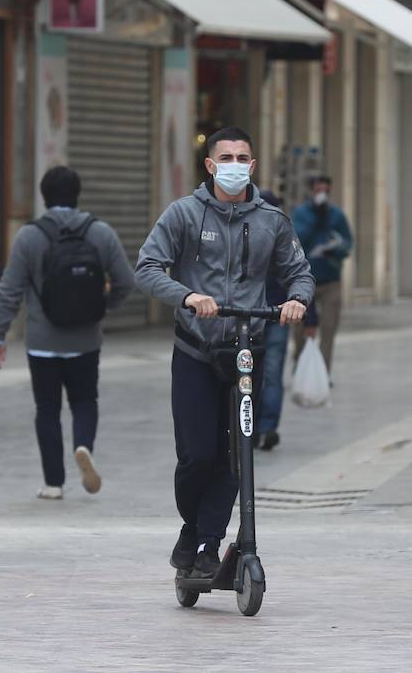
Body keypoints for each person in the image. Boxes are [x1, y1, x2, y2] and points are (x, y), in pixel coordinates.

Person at [136, 127, 314, 580]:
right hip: (196, 350)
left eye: (243, 158)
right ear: (211, 165)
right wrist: (187, 296)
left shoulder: (271, 220)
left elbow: (300, 273)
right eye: (226, 158)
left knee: (238, 453)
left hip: (246, 353)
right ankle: (193, 526)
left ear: (252, 167)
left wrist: (296, 300)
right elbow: (148, 267)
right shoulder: (183, 215)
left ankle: (210, 543)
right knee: (197, 455)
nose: (235, 165)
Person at [0, 166, 135, 500]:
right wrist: (104, 305)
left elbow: (8, 289)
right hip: (86, 339)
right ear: (77, 194)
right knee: (85, 400)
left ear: (44, 196)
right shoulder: (101, 232)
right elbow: (126, 280)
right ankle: (83, 445)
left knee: (47, 407)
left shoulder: (29, 236)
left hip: (42, 342)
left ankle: (53, 483)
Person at [253, 188, 318, 453]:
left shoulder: (250, 233)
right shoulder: (282, 235)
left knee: (249, 373)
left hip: (255, 316)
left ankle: (254, 427)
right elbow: (301, 275)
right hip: (278, 314)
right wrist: (310, 318)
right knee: (271, 373)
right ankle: (266, 427)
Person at [291, 175, 353, 375]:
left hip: (330, 280)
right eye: (318, 190)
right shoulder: (301, 214)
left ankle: (323, 373)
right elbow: (294, 240)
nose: (322, 194)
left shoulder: (336, 215)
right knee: (300, 329)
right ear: (311, 191)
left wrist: (336, 249)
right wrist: (316, 220)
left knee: (328, 327)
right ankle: (301, 367)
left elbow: (347, 243)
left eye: (325, 190)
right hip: (304, 281)